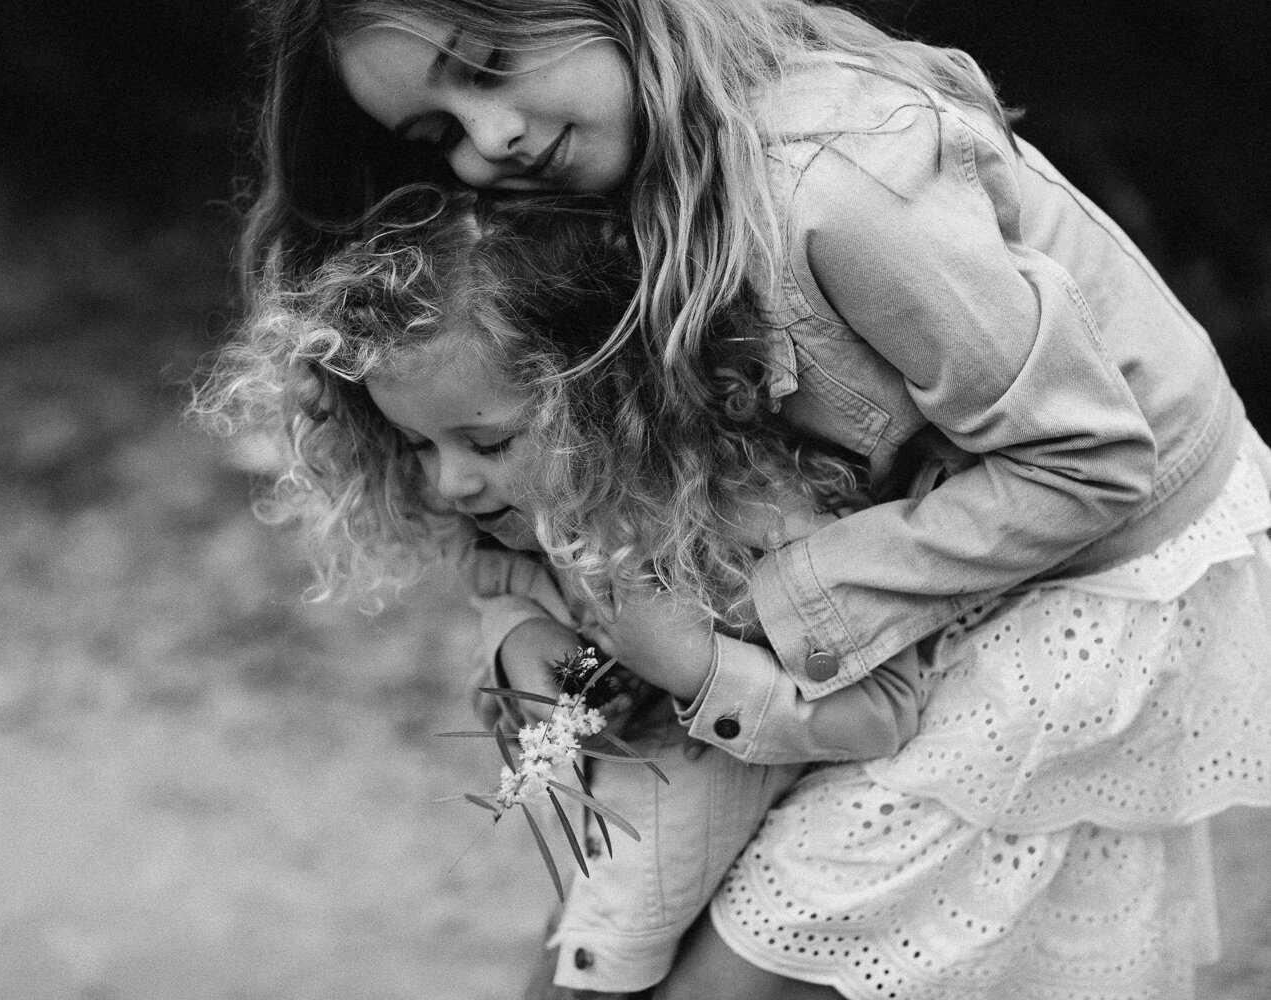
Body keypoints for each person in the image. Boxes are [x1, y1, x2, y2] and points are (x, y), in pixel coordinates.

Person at [239, 2, 1271, 996]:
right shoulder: (575, 185)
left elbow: (1087, 461)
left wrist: (739, 620)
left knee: (763, 951)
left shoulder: (839, 179)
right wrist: (515, 626)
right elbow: (521, 468)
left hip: (1106, 564)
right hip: (903, 541)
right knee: (623, 925)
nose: (490, 139)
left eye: (490, 64)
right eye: (436, 128)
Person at [196, 183, 933, 997]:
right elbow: (526, 608)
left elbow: (888, 714)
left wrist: (699, 670)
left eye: (487, 441)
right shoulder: (531, 514)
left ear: (603, 393)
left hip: (784, 859)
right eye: (415, 445)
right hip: (627, 865)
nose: (450, 483)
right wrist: (522, 646)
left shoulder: (767, 520)